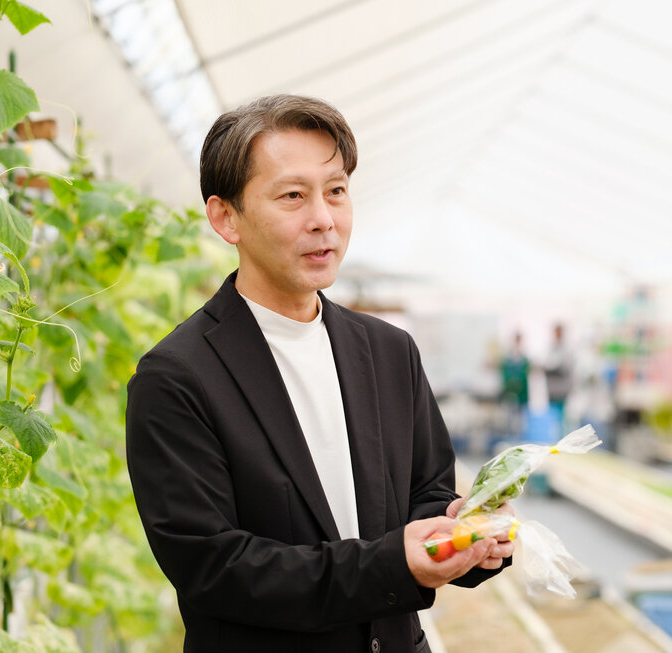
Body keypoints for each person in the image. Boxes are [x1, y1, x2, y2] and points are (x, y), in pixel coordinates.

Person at [126, 95, 514, 653]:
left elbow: (426, 495)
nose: (324, 219)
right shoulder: (178, 377)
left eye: (336, 191)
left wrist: (465, 534)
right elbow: (214, 567)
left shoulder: (388, 351)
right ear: (225, 217)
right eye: (292, 196)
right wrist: (390, 565)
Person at [543, 323, 574, 424]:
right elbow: (546, 364)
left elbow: (566, 368)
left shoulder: (567, 349)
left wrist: (554, 369)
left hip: (562, 390)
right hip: (552, 389)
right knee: (552, 418)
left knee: (562, 418)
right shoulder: (550, 349)